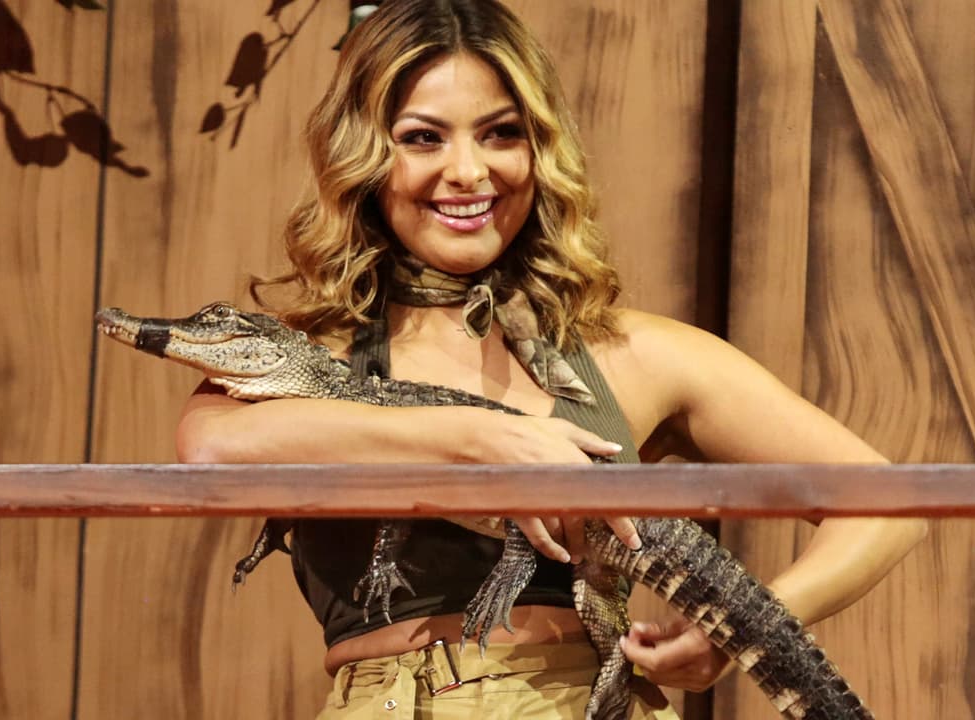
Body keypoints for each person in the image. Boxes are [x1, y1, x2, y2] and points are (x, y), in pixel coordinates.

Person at [176, 0, 929, 716]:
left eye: (500, 134)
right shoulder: (305, 355)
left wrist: (739, 631)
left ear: (539, 150)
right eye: (423, 138)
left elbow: (891, 508)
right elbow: (210, 448)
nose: (469, 172)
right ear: (365, 157)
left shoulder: (630, 351)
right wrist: (478, 439)